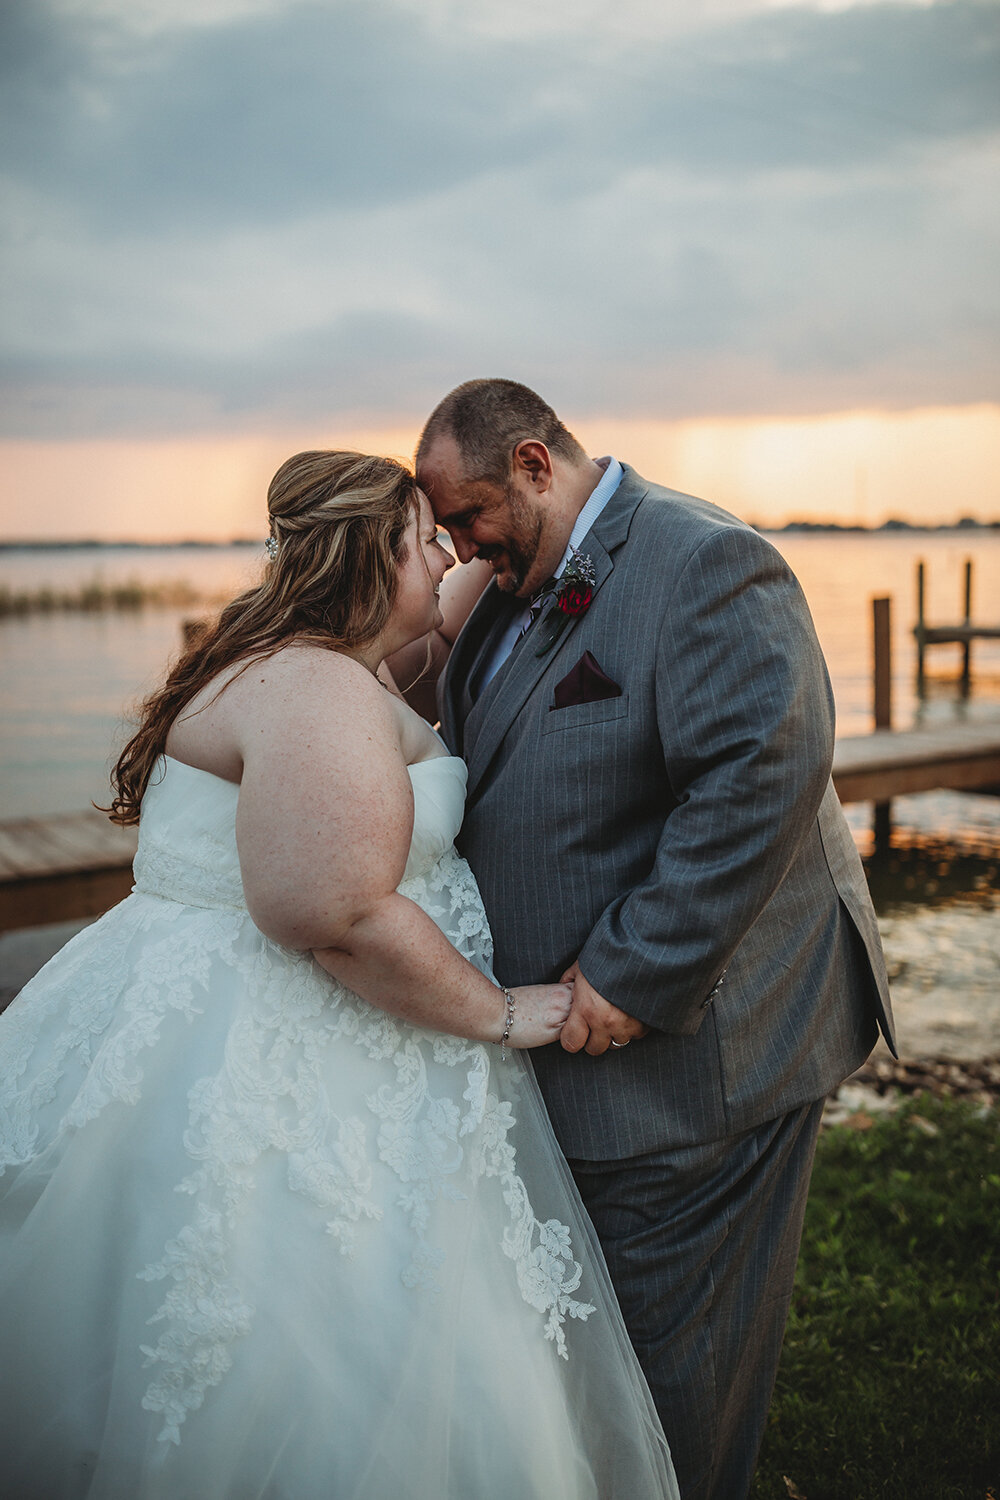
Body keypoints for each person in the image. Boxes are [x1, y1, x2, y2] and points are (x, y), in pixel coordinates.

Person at [0, 451, 678, 1499]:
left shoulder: (324, 660)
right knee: (306, 1333)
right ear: (376, 555)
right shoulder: (313, 687)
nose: (447, 556)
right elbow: (335, 910)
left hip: (330, 1043)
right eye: (424, 540)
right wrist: (498, 1014)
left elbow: (463, 598)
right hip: (283, 1064)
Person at [409, 379, 897, 1500]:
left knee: (677, 1367)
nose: (460, 545)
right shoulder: (505, 584)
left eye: (471, 514)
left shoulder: (704, 563)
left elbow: (762, 770)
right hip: (573, 1053)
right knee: (598, 1353)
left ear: (537, 464)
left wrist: (631, 972)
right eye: (442, 531)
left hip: (695, 1056)